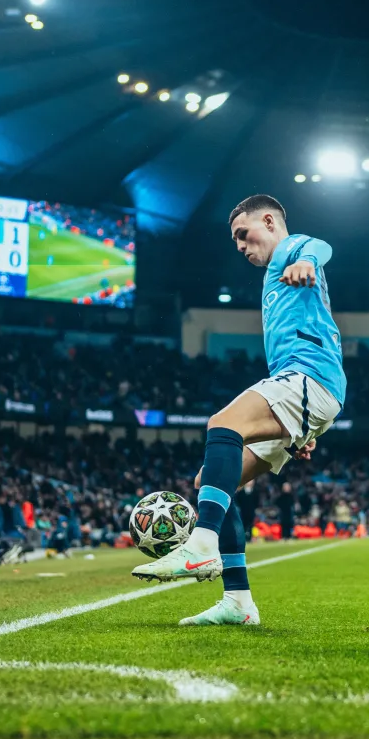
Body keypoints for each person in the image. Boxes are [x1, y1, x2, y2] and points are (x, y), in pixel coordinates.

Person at [132, 194, 346, 627]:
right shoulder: (275, 273)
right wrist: (297, 431)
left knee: (222, 424)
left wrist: (306, 261)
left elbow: (319, 246)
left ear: (269, 221)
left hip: (310, 377)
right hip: (305, 389)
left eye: (243, 236)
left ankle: (202, 543)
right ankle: (238, 602)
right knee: (210, 481)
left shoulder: (292, 251)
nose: (242, 247)